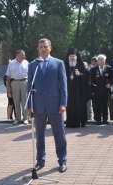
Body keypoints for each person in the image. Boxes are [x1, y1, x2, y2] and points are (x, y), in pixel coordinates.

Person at [27, 38, 67, 173]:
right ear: (38, 49)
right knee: (39, 135)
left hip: (55, 105)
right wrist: (29, 105)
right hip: (38, 105)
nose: (43, 49)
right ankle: (40, 160)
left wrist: (63, 103)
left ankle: (62, 161)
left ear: (50, 47)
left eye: (45, 46)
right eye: (41, 47)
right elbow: (29, 86)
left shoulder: (58, 63)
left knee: (59, 134)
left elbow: (63, 86)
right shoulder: (33, 64)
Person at [65, 48, 90, 128]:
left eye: (73, 56)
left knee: (80, 106)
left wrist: (80, 74)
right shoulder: (64, 65)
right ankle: (70, 123)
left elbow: (87, 76)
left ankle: (81, 122)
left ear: (76, 57)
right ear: (68, 57)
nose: (72, 57)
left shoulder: (81, 65)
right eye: (71, 56)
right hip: (68, 90)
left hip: (79, 91)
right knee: (70, 106)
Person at [6, 50, 29, 125]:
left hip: (24, 82)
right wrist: (8, 88)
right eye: (22, 55)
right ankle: (18, 118)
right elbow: (8, 76)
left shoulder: (26, 63)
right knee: (16, 101)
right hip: (15, 82)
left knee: (25, 101)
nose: (24, 57)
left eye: (24, 55)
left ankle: (25, 118)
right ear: (17, 55)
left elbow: (30, 74)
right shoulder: (11, 63)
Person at [90, 54, 113, 124]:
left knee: (105, 104)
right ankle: (98, 119)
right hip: (97, 90)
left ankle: (105, 119)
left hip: (106, 90)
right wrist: (93, 89)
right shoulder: (93, 69)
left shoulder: (109, 68)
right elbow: (91, 80)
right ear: (97, 61)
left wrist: (110, 83)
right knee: (98, 105)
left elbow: (112, 78)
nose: (102, 61)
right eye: (100, 59)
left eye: (103, 59)